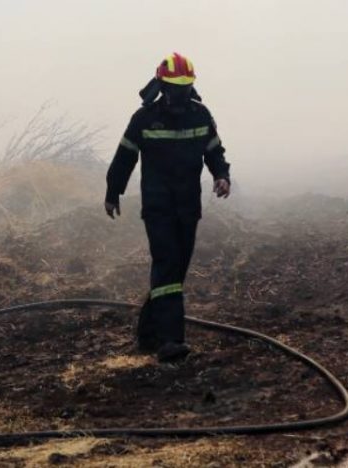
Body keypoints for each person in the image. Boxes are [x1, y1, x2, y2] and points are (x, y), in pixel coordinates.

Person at [105, 53, 231, 363]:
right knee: (167, 263)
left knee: (175, 269)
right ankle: (170, 341)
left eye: (185, 86)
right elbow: (125, 158)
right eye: (174, 86)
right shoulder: (144, 119)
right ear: (162, 85)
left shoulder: (200, 116)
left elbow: (214, 150)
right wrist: (113, 191)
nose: (179, 93)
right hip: (158, 206)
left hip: (188, 206)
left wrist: (222, 175)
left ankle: (148, 333)